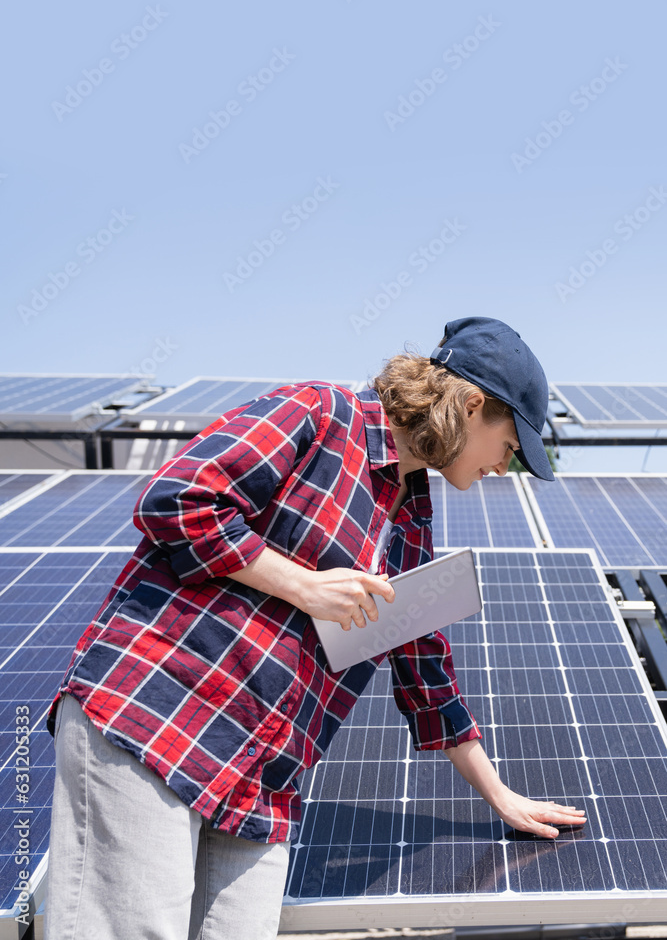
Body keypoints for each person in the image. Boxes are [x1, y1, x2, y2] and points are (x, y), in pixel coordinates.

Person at [44, 316, 586, 940]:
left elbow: (425, 672)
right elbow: (179, 498)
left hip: (262, 778)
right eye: (510, 445)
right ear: (470, 405)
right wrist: (303, 585)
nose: (506, 465)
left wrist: (501, 797)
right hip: (162, 722)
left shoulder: (411, 520)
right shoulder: (321, 415)